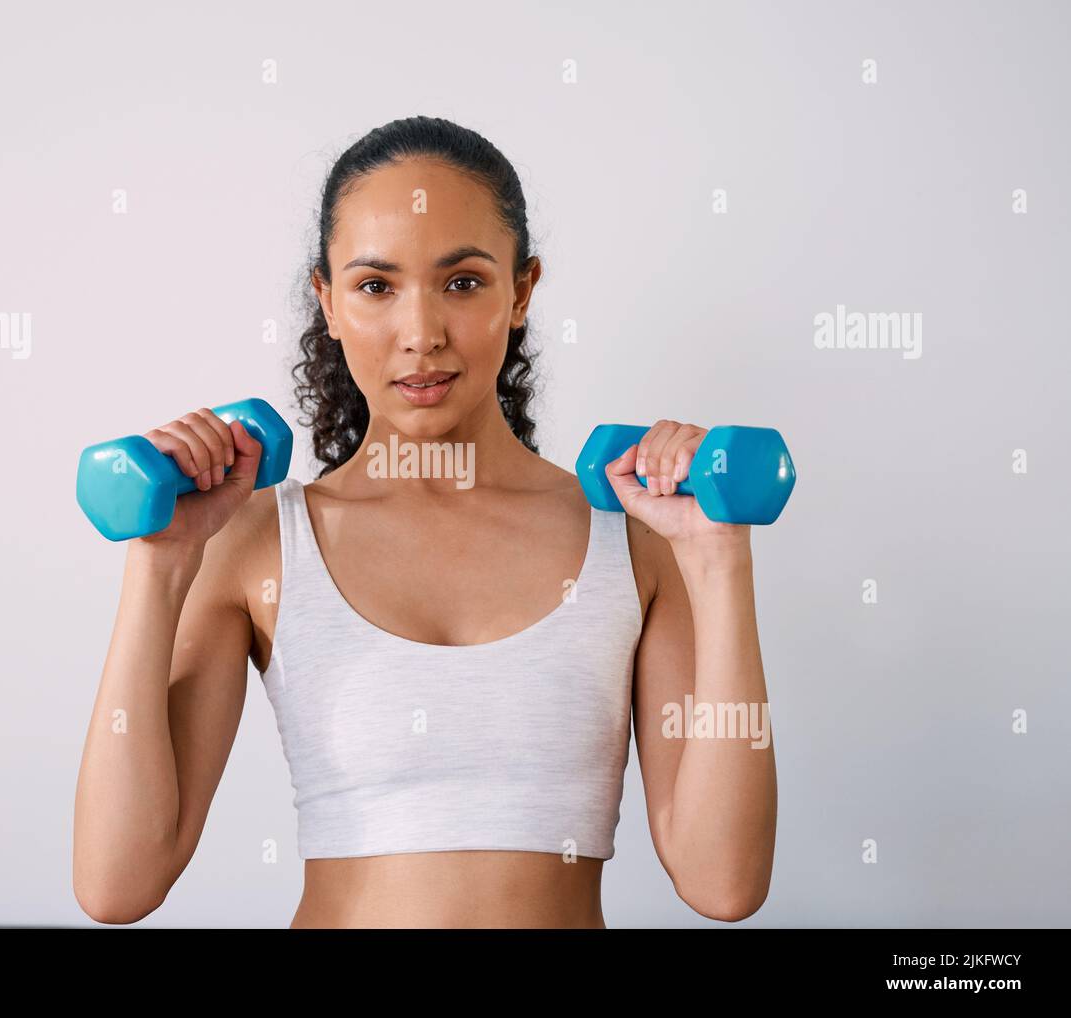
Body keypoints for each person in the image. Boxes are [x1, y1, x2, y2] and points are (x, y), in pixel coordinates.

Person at [73, 116, 777, 928]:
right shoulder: (259, 540)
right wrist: (160, 562)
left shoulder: (637, 536)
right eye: (376, 287)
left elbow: (722, 882)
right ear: (327, 302)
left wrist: (719, 558)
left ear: (522, 292)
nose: (422, 334)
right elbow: (117, 884)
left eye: (464, 282)